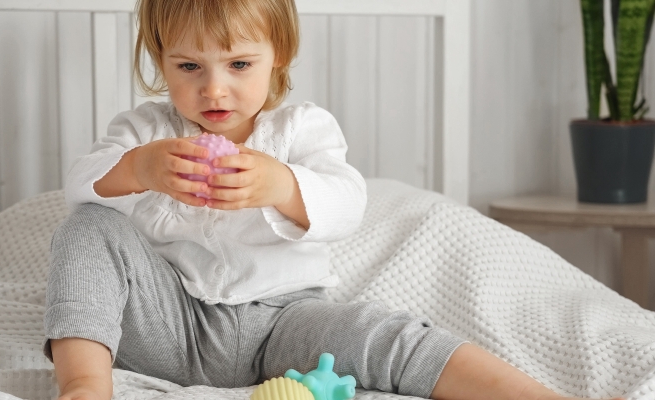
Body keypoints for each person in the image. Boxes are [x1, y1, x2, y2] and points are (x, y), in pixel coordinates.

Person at [43, 0, 626, 400]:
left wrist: (281, 185)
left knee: (383, 333)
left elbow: (348, 203)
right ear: (159, 60)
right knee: (88, 223)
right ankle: (85, 385)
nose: (214, 88)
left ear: (278, 56)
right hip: (171, 326)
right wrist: (138, 168)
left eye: (239, 64)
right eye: (189, 66)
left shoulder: (302, 129)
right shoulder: (146, 128)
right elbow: (80, 183)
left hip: (284, 325)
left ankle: (535, 394)